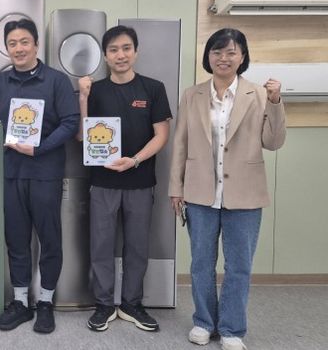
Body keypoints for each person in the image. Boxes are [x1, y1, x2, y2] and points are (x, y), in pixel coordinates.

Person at [168, 28, 286, 350]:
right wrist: (176, 187)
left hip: (246, 194)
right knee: (201, 263)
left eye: (231, 52)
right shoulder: (192, 95)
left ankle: (232, 328)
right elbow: (180, 144)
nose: (223, 58)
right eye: (217, 52)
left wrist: (276, 102)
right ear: (208, 56)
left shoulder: (258, 94)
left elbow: (273, 142)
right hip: (199, 192)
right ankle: (204, 322)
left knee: (239, 266)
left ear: (242, 56)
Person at [0, 18, 79, 334]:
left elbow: (71, 122)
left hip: (45, 173)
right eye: (12, 43)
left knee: (49, 239)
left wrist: (38, 148)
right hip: (11, 173)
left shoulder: (56, 81)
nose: (18, 48)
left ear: (36, 45)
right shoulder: (1, 82)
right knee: (16, 239)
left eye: (24, 42)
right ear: (7, 47)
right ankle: (20, 302)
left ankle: (45, 302)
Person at [78, 25, 171, 333]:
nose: (121, 55)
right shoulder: (95, 90)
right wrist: (83, 98)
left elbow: (161, 135)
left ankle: (132, 303)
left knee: (137, 246)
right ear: (105, 56)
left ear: (136, 52)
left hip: (140, 181)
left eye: (126, 48)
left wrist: (134, 160)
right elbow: (82, 136)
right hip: (102, 182)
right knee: (101, 245)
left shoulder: (153, 88)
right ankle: (104, 304)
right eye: (114, 49)